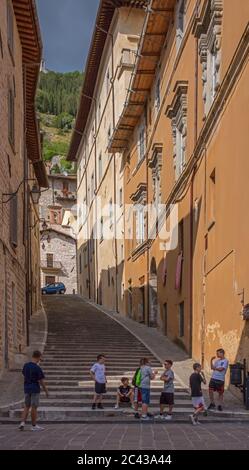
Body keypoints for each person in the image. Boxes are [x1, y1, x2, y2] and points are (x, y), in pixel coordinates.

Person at [19, 350, 48, 431]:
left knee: (26, 406)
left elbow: (24, 374)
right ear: (39, 357)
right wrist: (46, 391)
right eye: (40, 358)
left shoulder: (26, 365)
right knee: (34, 407)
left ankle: (22, 423)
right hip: (35, 388)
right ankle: (34, 425)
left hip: (27, 388)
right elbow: (41, 381)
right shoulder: (37, 368)